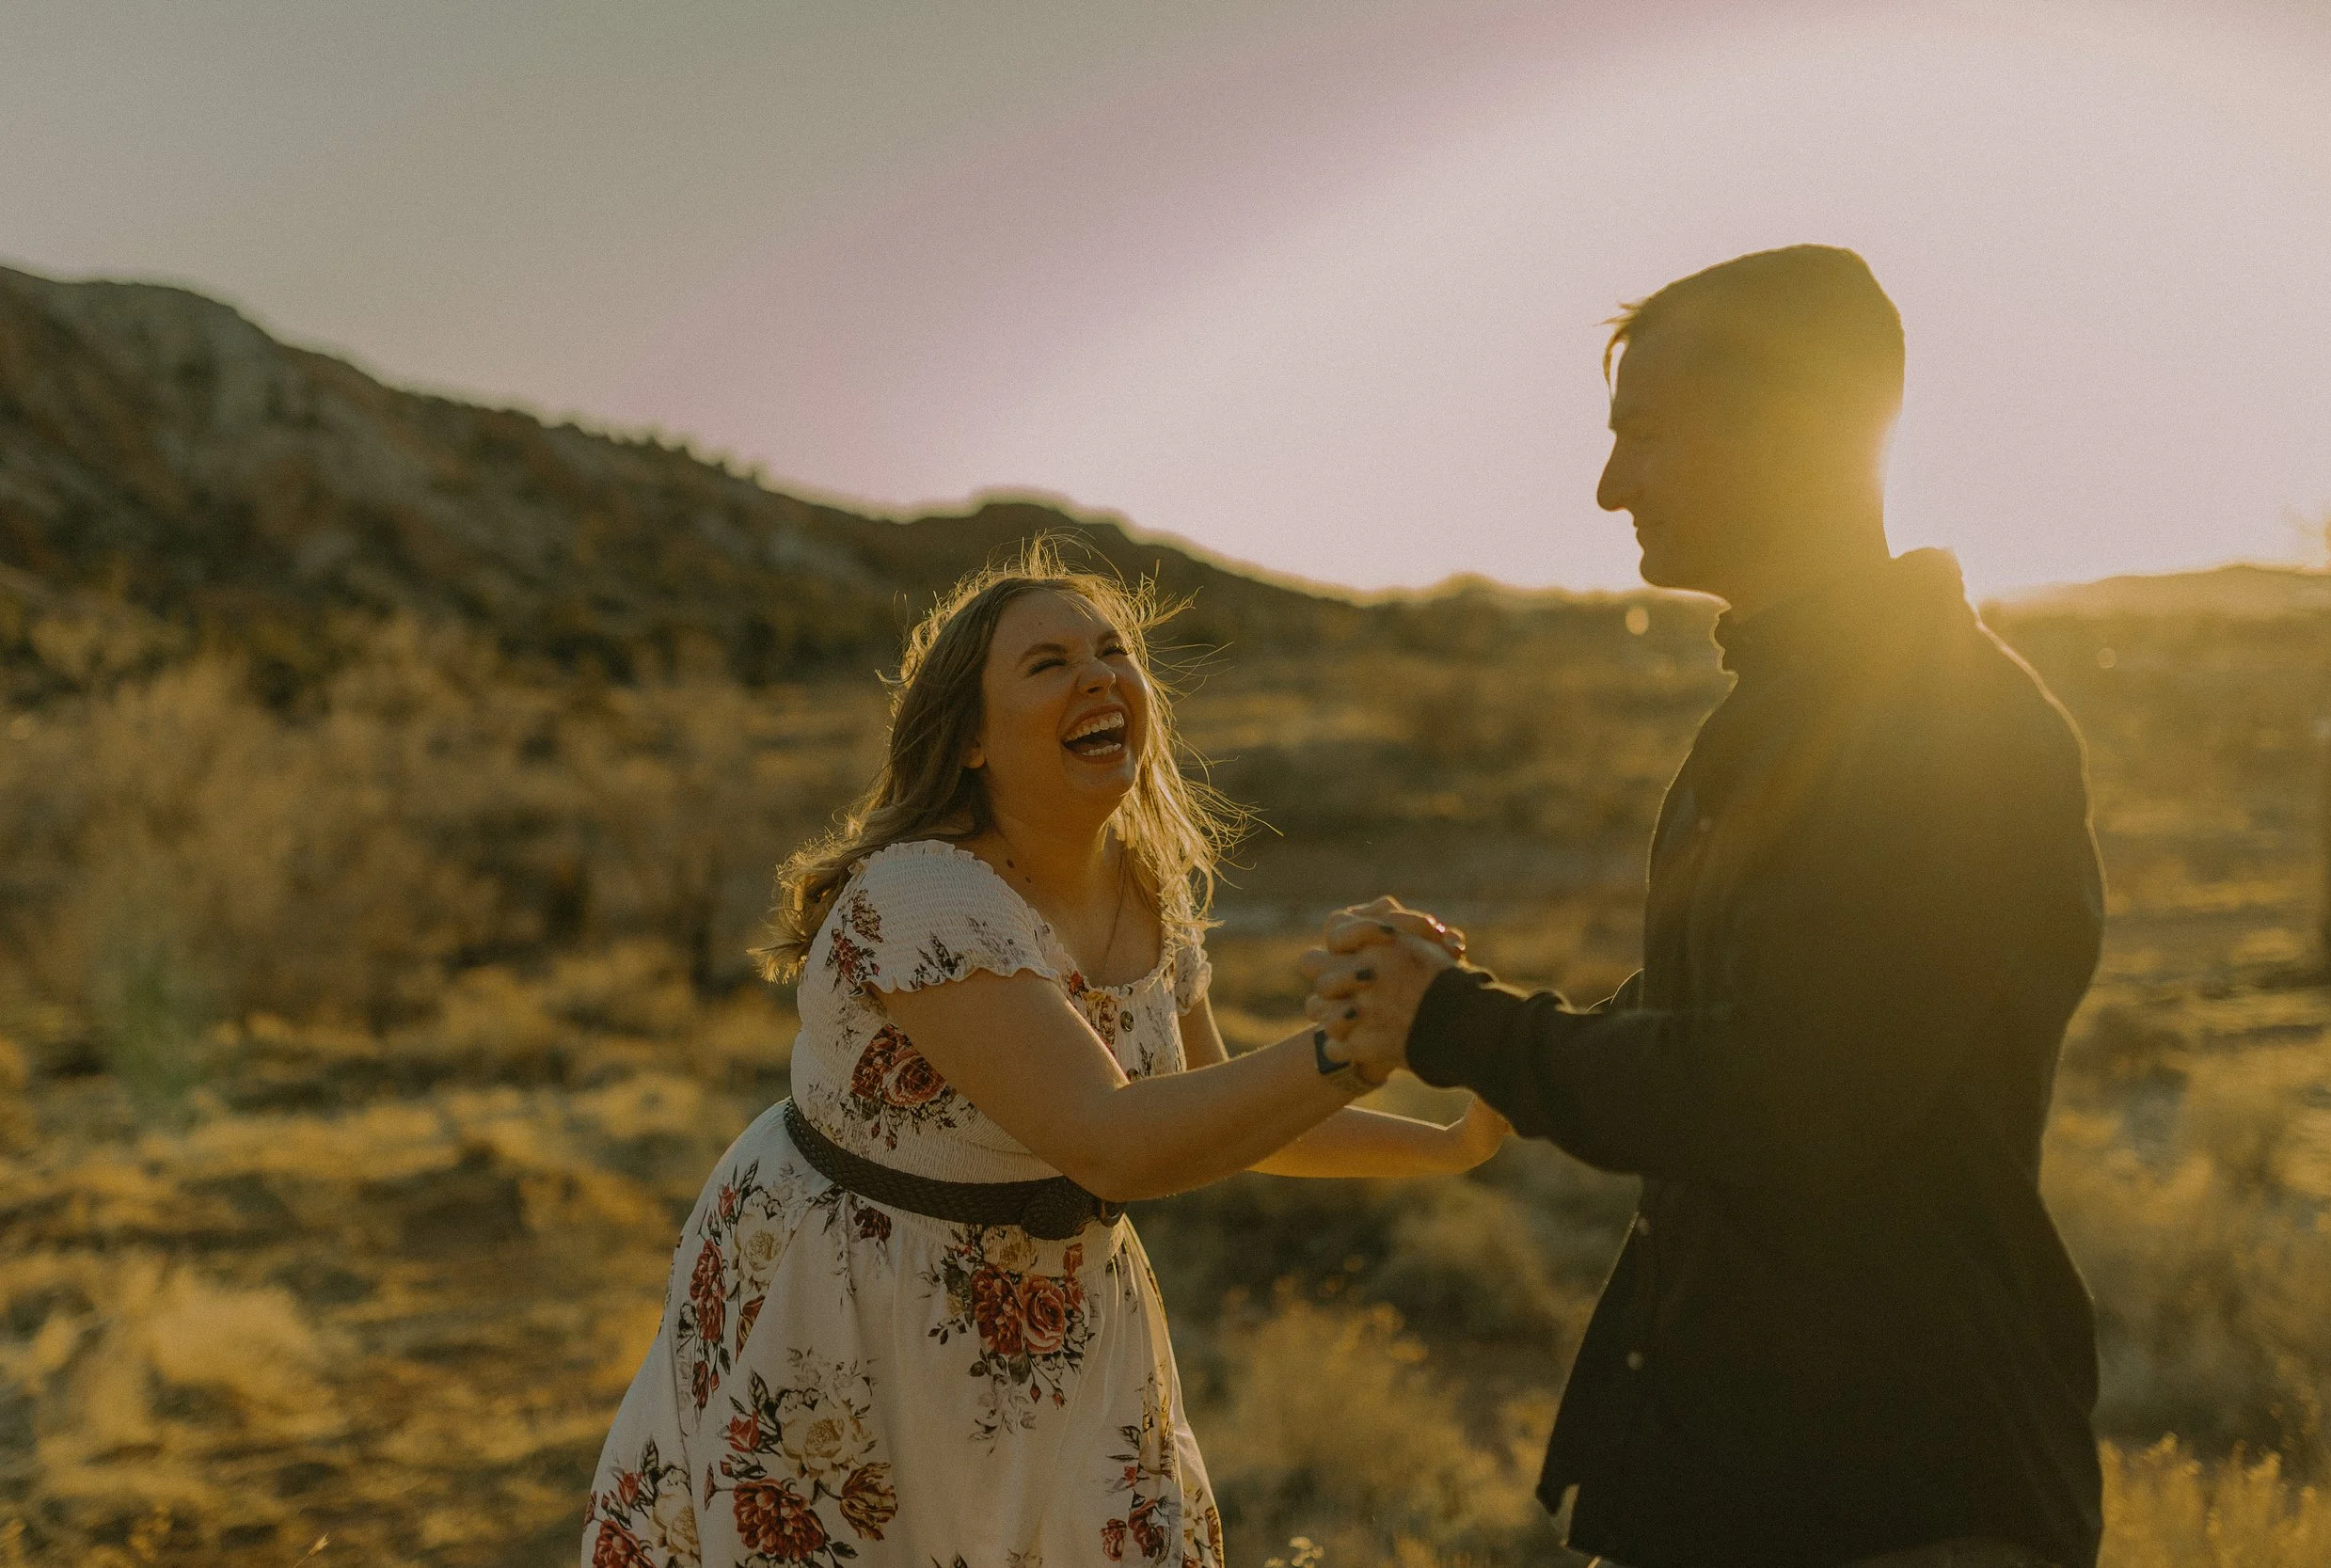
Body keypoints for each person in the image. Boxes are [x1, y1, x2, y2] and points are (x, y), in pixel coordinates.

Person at [1304, 246, 2106, 1568]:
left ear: (1786, 432)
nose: (1610, 483)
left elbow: (1785, 1087)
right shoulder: (1779, 713)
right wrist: (1465, 1010)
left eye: (1644, 436)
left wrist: (1466, 1028)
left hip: (1902, 1493)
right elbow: (1721, 1018)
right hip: (1743, 1473)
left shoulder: (1949, 725)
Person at [580, 545, 1507, 1568]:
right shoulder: (919, 895)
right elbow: (1109, 1140)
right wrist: (1349, 1047)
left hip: (1059, 1320)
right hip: (854, 1313)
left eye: (1113, 651)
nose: (1099, 675)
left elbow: (1215, 1113)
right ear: (970, 737)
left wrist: (1451, 1141)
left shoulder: (1149, 888)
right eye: (1048, 662)